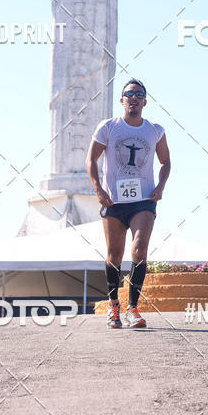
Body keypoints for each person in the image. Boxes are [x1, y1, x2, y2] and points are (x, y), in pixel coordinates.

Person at [86, 79, 170, 329]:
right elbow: (91, 159)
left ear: (145, 101)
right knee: (114, 255)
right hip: (114, 201)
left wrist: (159, 187)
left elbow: (166, 162)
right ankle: (114, 307)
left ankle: (132, 308)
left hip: (143, 201)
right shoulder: (109, 127)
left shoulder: (155, 130)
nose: (133, 98)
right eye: (129, 94)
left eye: (139, 94)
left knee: (140, 249)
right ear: (121, 100)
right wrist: (98, 190)